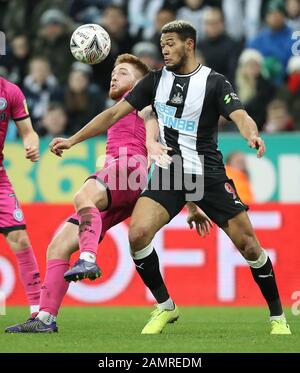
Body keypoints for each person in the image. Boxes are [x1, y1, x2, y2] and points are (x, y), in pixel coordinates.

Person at [40, 20, 291, 336]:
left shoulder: (214, 83)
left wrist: (251, 135)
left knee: (249, 245)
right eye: (162, 45)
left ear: (189, 44)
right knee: (138, 234)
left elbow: (240, 115)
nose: (165, 50)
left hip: (206, 173)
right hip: (170, 174)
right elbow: (112, 114)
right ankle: (165, 306)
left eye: (171, 43)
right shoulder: (156, 81)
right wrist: (72, 139)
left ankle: (277, 316)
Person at [5, 53, 211, 333]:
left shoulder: (144, 103)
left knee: (83, 196)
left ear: (139, 83)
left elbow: (151, 122)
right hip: (123, 181)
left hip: (129, 167)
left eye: (123, 72)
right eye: (114, 71)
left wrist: (150, 142)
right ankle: (45, 318)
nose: (115, 75)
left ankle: (88, 258)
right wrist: (192, 206)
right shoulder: (119, 108)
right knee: (59, 245)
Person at [0, 76, 41, 318]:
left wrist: (31, 144)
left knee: (19, 238)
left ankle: (38, 312)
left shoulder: (10, 91)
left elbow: (29, 132)